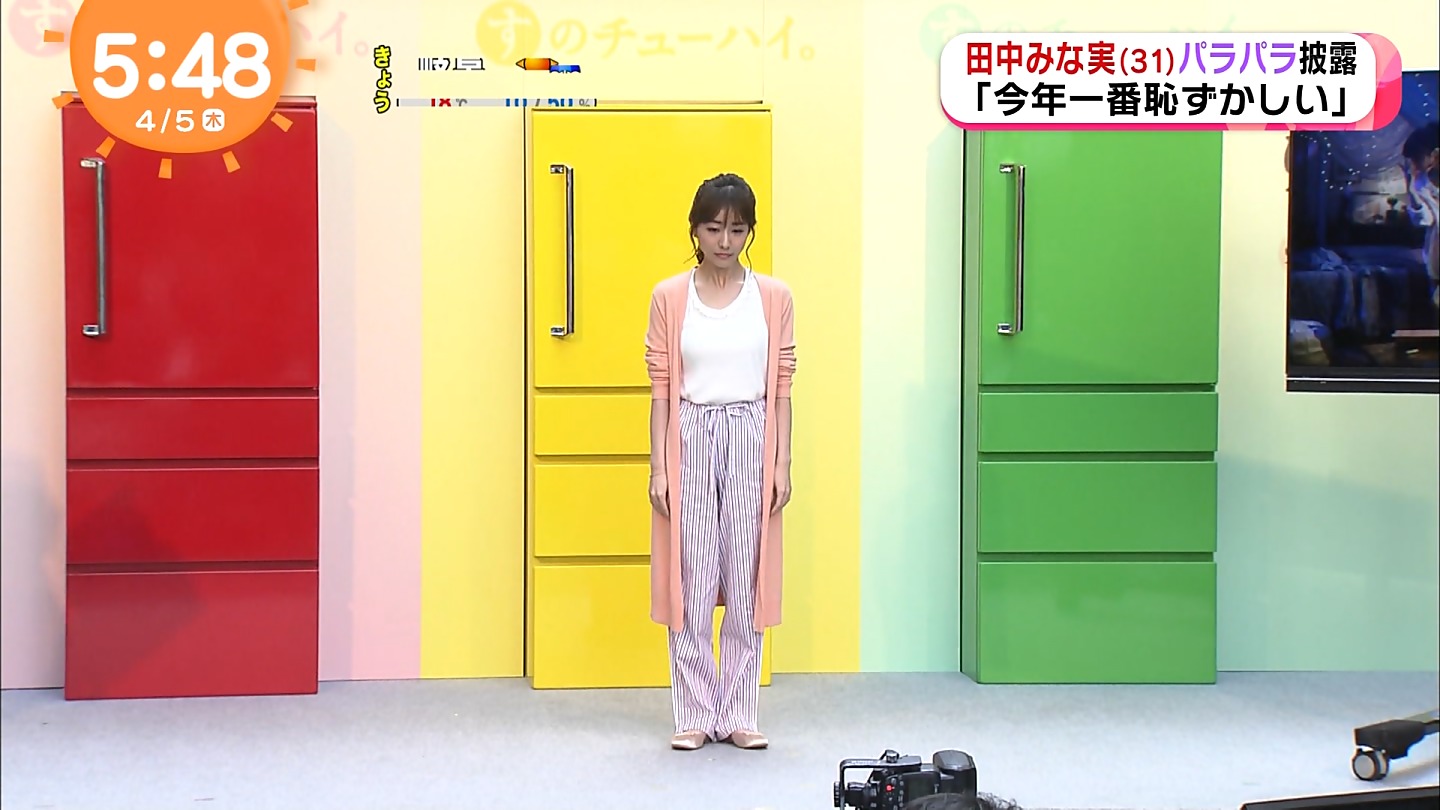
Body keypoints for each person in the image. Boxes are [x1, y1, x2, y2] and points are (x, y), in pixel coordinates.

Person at [643, 173, 796, 752]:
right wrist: (659, 468)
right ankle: (693, 713)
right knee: (692, 574)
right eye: (713, 228)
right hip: (689, 434)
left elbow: (783, 388)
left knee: (746, 573)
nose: (725, 241)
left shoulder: (773, 298)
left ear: (750, 231)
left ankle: (739, 712)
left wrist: (782, 463)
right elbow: (660, 389)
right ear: (695, 231)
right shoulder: (669, 296)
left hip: (752, 434)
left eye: (737, 229)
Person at [1400, 121, 1439, 309]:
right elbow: (1425, 219)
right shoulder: (1421, 183)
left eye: (1417, 157)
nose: (1414, 164)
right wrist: (1412, 191)